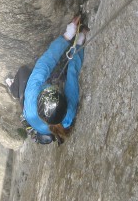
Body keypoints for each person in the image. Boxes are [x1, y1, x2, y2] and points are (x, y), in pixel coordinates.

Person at [7, 16, 88, 145]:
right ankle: (15, 91)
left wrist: (68, 35)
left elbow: (45, 64)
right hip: (39, 122)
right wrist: (78, 44)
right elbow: (72, 75)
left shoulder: (32, 92)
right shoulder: (68, 114)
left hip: (32, 116)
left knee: (23, 71)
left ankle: (14, 89)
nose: (55, 87)